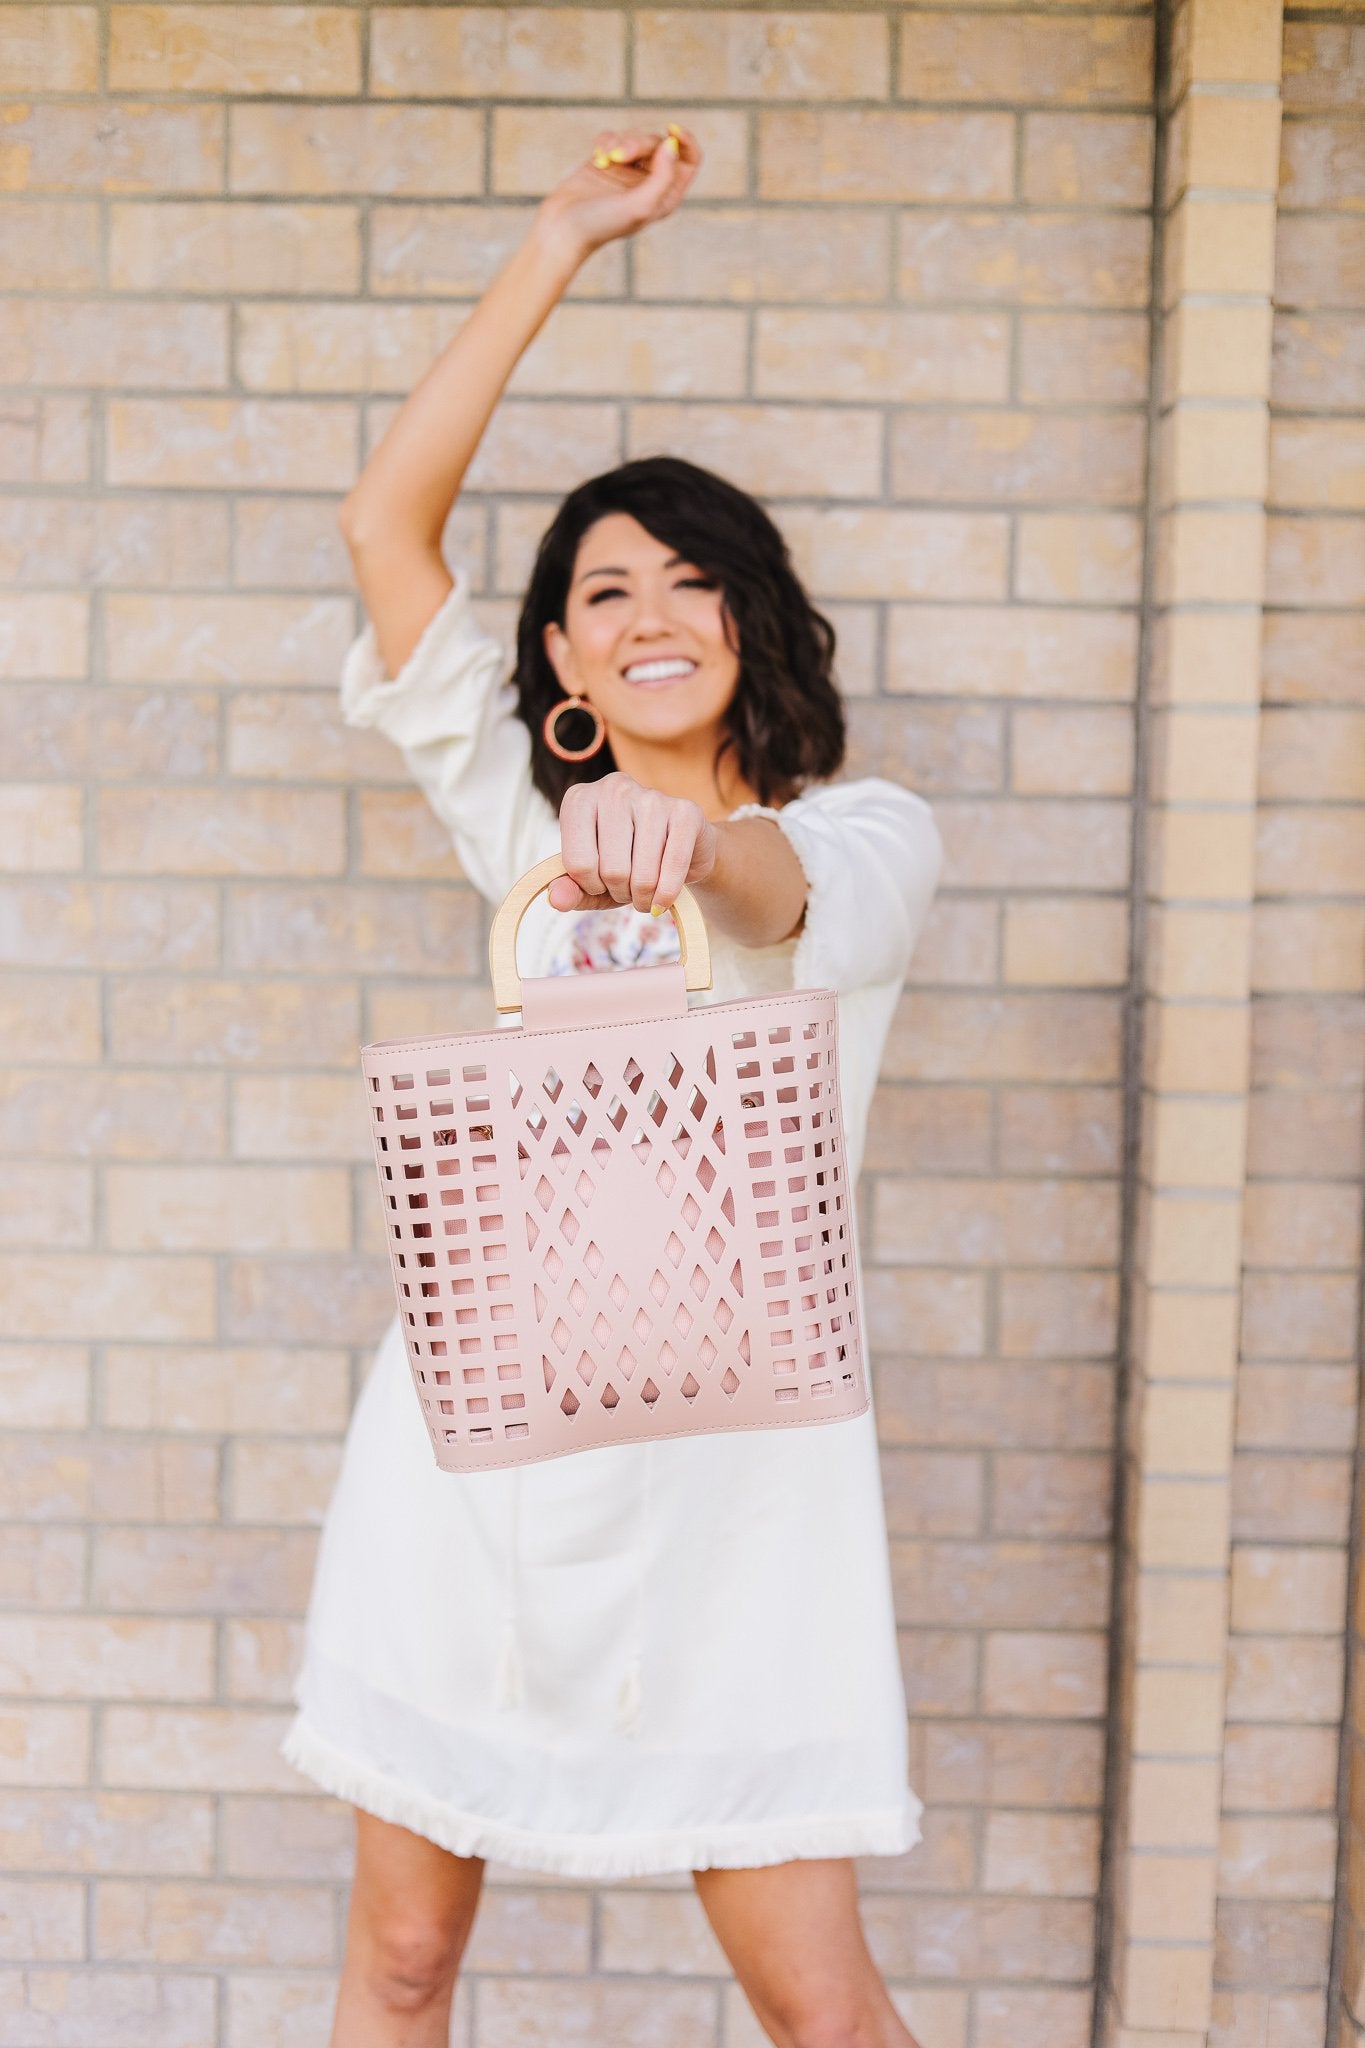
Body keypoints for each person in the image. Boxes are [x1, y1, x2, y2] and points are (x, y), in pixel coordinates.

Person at [283, 124, 943, 2048]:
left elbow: (783, 890)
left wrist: (688, 850)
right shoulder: (525, 827)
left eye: (688, 583)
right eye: (600, 592)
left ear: (745, 624)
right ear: (560, 661)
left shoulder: (866, 833)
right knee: (402, 1964)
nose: (646, 612)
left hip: (743, 1486)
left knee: (813, 2002)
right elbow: (383, 535)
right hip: (482, 1450)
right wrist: (559, 239)